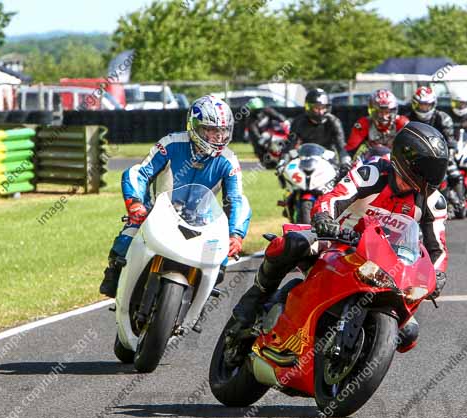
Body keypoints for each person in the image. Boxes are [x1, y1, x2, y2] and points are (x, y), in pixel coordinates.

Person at [225, 122, 450, 359]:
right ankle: (251, 304)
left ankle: (360, 355)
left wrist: (437, 274)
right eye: (425, 167)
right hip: (337, 242)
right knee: (293, 244)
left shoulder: (432, 202)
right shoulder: (372, 173)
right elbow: (334, 197)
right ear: (405, 159)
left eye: (436, 169)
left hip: (387, 264)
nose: (430, 176)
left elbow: (439, 249)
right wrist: (324, 216)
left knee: (409, 333)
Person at [99, 95, 251, 297]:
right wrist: (135, 203)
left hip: (200, 221)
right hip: (158, 212)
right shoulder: (171, 143)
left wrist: (235, 234)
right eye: (211, 130)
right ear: (195, 126)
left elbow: (237, 199)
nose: (218, 137)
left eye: (222, 131)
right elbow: (139, 172)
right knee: (126, 241)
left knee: (219, 266)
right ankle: (115, 273)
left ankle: (193, 304)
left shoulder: (229, 160)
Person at [281, 88, 350, 169]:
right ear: (308, 107)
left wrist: (345, 162)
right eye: (317, 108)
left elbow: (341, 147)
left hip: (329, 162)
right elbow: (289, 145)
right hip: (305, 161)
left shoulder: (334, 122)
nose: (320, 112)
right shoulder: (299, 122)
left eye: (323, 108)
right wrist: (283, 162)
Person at [345, 89, 409, 157]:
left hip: (395, 160)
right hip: (370, 160)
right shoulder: (363, 124)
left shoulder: (402, 123)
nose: (384, 116)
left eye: (387, 112)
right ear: (373, 111)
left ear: (393, 111)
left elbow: (409, 148)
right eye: (380, 112)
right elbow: (351, 148)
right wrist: (346, 160)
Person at [244, 97, 288, 165]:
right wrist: (260, 139)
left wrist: (285, 121)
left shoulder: (267, 110)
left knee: (285, 138)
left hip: (272, 132)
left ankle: (283, 155)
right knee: (264, 157)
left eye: (258, 110)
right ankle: (268, 161)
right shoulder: (250, 120)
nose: (256, 112)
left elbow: (278, 116)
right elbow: (254, 133)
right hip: (259, 139)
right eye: (254, 110)